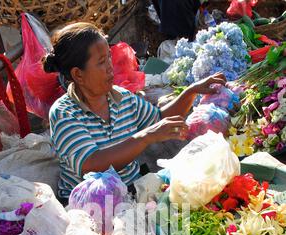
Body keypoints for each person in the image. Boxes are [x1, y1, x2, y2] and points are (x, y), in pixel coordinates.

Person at [43, 22, 226, 200]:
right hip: (89, 206)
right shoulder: (64, 113)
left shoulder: (121, 97)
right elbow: (91, 164)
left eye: (108, 57)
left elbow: (160, 119)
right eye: (101, 62)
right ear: (78, 74)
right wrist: (145, 137)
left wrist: (191, 91)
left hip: (130, 195)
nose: (110, 66)